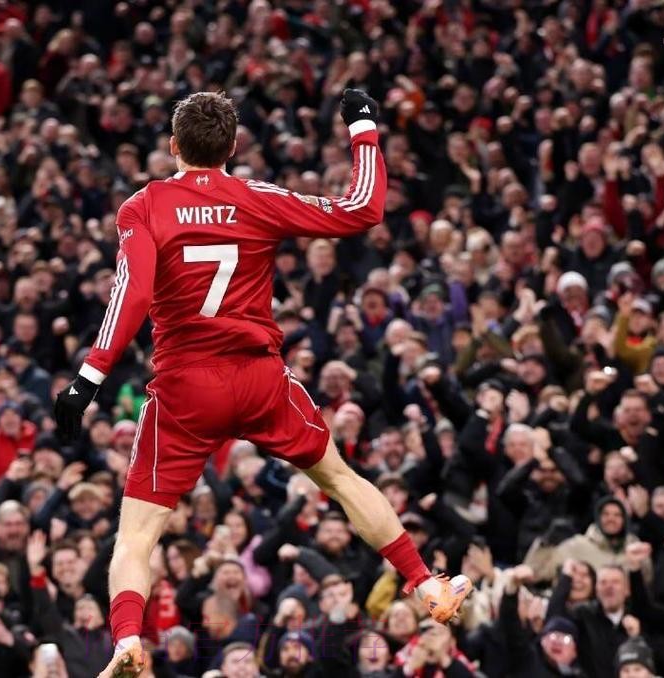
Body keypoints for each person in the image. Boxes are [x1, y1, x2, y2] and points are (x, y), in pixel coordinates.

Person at [54, 90, 473, 676]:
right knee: (340, 479)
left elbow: (135, 292)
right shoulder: (257, 198)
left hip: (185, 389)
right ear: (231, 148)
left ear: (174, 146)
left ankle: (127, 642)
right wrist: (363, 129)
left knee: (137, 536)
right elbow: (361, 210)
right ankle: (426, 584)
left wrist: (88, 378)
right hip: (259, 377)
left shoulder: (144, 206)